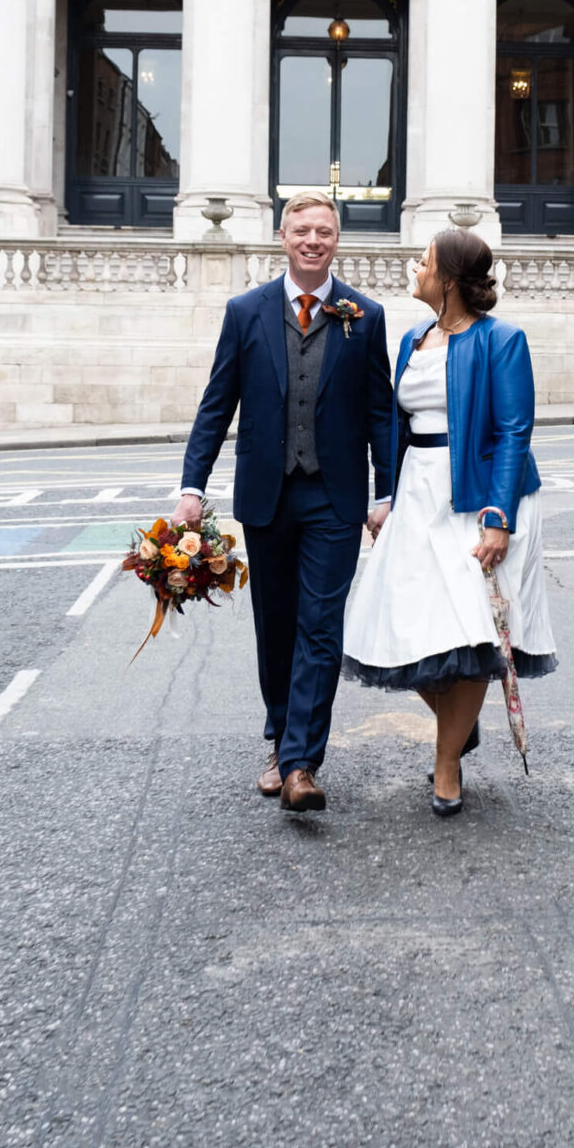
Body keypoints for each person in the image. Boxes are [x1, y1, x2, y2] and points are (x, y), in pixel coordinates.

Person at [175, 193, 393, 814]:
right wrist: (193, 486)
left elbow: (381, 412)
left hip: (334, 497)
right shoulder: (245, 312)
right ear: (282, 237)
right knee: (276, 628)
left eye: (324, 231)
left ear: (338, 239)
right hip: (267, 495)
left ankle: (301, 762)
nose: (313, 240)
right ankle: (279, 736)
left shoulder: (365, 316)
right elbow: (217, 404)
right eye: (302, 230)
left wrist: (385, 493)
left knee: (320, 628)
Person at [342, 228, 557, 816]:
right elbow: (398, 426)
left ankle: (445, 766)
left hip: (479, 497)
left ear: (450, 280)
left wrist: (499, 517)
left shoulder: (502, 340)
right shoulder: (412, 337)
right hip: (418, 494)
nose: (415, 267)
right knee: (404, 623)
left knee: (470, 630)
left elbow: (514, 430)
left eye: (426, 261)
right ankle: (457, 727)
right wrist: (385, 495)